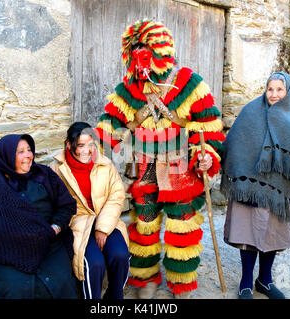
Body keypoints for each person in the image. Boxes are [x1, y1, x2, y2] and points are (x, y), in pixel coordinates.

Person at [95, 19, 224, 298]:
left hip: (182, 172)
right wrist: (129, 126)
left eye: (147, 48)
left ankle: (181, 283)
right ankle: (145, 280)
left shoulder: (190, 84)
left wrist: (205, 155)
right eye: (137, 48)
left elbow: (210, 130)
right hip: (146, 170)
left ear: (161, 50)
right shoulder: (128, 90)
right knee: (145, 226)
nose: (142, 55)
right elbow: (108, 131)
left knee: (181, 229)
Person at [221, 72, 290, 299]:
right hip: (249, 185)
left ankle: (264, 280)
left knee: (271, 234)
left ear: (288, 92)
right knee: (248, 235)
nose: (274, 94)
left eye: (279, 90)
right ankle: (245, 282)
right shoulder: (250, 111)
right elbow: (233, 141)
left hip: (278, 188)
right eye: (270, 89)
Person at [0, 134, 78, 299]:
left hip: (49, 244)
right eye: (20, 152)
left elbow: (66, 205)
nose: (28, 156)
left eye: (29, 150)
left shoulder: (45, 175)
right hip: (8, 252)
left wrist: (56, 227)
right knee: (16, 288)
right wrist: (20, 237)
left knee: (61, 281)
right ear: (7, 156)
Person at [49, 122, 130, 299]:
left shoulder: (104, 164)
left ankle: (114, 297)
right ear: (69, 145)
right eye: (81, 145)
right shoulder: (56, 170)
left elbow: (116, 195)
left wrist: (102, 228)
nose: (87, 150)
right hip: (77, 223)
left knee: (120, 255)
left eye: (91, 144)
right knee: (93, 263)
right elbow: (55, 205)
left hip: (105, 218)